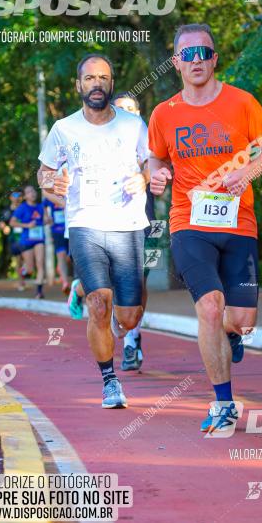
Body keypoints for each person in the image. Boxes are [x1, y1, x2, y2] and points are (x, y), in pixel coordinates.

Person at [148, 23, 262, 434]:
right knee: (209, 306)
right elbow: (155, 158)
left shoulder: (242, 102)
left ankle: (232, 333)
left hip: (238, 222)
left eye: (203, 53)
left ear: (215, 58)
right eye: (187, 55)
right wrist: (157, 177)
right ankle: (223, 402)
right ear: (175, 63)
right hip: (189, 221)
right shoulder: (164, 113)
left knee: (241, 319)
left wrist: (249, 171)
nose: (196, 61)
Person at [38, 54, 149, 409]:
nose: (96, 83)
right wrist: (53, 183)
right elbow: (44, 177)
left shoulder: (133, 125)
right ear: (79, 85)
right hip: (85, 223)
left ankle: (91, 293)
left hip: (128, 225)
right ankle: (110, 380)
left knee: (129, 316)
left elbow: (153, 164)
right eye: (89, 78)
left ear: (111, 83)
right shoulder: (63, 129)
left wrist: (143, 177)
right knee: (99, 304)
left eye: (103, 77)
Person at [113, 91, 155, 372]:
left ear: (139, 114)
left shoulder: (150, 142)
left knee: (139, 282)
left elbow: (163, 167)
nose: (126, 113)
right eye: (120, 110)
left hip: (147, 223)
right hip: (107, 223)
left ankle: (133, 335)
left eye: (131, 109)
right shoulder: (100, 141)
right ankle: (127, 337)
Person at [10, 185, 46, 299]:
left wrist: (48, 220)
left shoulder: (41, 206)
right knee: (30, 269)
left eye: (34, 190)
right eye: (29, 192)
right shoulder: (22, 208)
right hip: (26, 241)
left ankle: (39, 292)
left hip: (39, 239)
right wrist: (27, 225)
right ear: (25, 196)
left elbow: (46, 219)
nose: (33, 193)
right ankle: (24, 271)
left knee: (40, 263)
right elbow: (12, 222)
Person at [43, 193, 70, 294]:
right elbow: (43, 205)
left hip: (70, 229)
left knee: (69, 256)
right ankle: (65, 283)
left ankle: (60, 267)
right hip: (57, 230)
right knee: (61, 254)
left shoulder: (69, 192)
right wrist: (46, 217)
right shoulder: (51, 195)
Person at [0, 189, 26, 290]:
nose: (17, 197)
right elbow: (1, 221)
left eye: (19, 195)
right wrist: (4, 227)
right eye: (15, 195)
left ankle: (25, 272)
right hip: (14, 238)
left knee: (27, 259)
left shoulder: (25, 208)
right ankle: (20, 282)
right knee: (18, 260)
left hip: (26, 237)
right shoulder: (7, 210)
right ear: (10, 197)